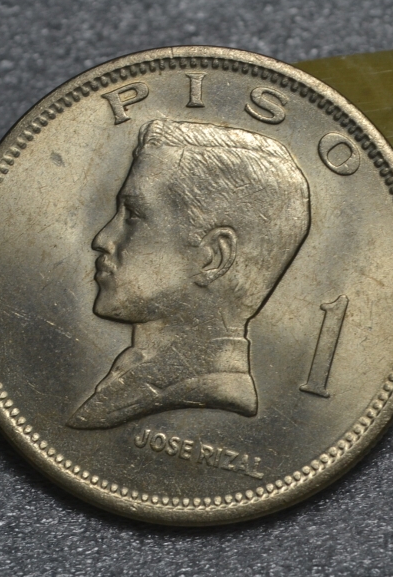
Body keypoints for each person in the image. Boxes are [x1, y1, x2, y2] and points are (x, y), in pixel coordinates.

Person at [67, 119, 311, 429]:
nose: (102, 239)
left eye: (133, 216)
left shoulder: (195, 395)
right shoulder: (138, 376)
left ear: (212, 257)